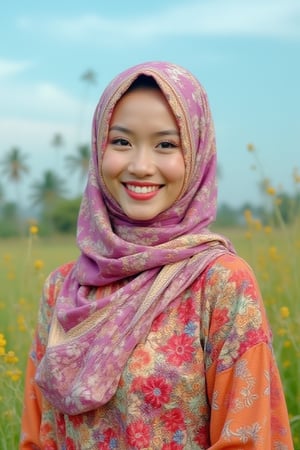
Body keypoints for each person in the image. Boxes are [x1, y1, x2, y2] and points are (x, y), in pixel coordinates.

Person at [20, 61, 293, 449]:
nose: (140, 166)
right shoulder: (62, 290)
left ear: (197, 153)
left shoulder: (219, 283)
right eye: (121, 142)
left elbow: (246, 438)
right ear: (99, 150)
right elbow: (40, 436)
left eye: (166, 144)